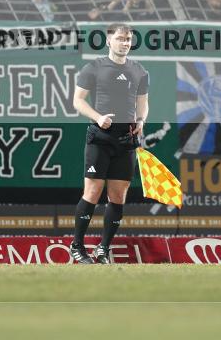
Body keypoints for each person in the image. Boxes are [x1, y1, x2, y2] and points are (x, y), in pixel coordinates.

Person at [71, 22, 149, 264]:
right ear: (109, 41)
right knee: (92, 192)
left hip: (126, 140)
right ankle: (77, 246)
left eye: (128, 39)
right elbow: (78, 101)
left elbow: (143, 102)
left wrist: (141, 120)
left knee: (118, 196)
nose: (125, 43)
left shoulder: (140, 71)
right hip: (100, 137)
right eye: (120, 38)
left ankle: (103, 249)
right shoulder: (93, 68)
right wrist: (98, 117)